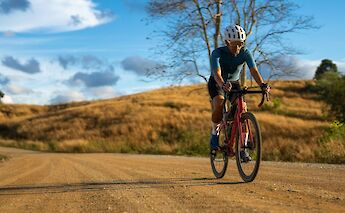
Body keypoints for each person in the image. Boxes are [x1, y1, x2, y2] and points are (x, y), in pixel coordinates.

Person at [208, 25, 269, 160]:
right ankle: (214, 133)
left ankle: (243, 149)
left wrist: (263, 84)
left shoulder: (245, 52)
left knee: (243, 109)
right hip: (218, 82)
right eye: (234, 45)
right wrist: (223, 84)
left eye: (240, 44)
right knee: (219, 102)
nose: (237, 48)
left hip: (234, 83)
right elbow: (216, 73)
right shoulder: (217, 53)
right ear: (227, 42)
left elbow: (254, 71)